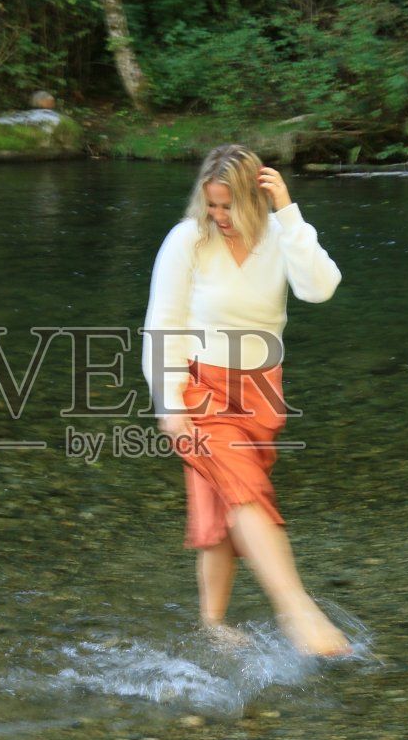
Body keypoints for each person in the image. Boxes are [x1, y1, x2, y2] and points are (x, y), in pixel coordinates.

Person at [142, 144, 350, 656]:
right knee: (244, 491)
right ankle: (298, 611)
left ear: (254, 198)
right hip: (199, 389)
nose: (218, 216)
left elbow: (320, 289)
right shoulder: (187, 240)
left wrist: (289, 212)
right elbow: (161, 323)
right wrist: (168, 403)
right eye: (210, 205)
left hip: (261, 392)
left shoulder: (282, 235)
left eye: (227, 205)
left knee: (224, 504)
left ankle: (212, 624)